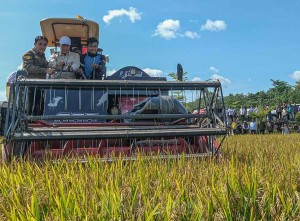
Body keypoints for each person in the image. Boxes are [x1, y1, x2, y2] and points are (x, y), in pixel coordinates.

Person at [22, 36, 54, 115]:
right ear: (35, 44)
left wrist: (57, 65)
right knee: (30, 111)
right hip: (30, 87)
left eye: (44, 45)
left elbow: (47, 64)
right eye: (40, 44)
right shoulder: (29, 54)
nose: (42, 46)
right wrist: (45, 70)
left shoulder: (42, 56)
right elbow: (29, 68)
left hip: (40, 87)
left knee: (39, 110)